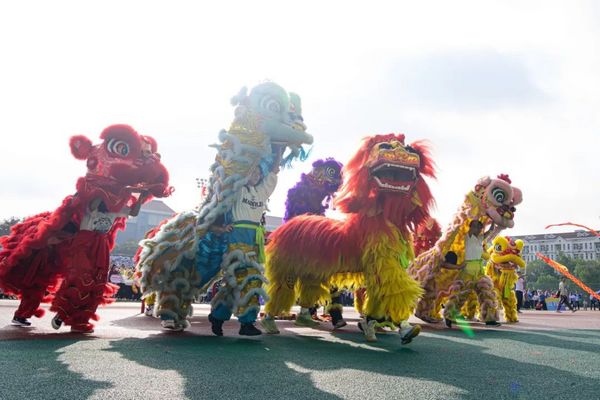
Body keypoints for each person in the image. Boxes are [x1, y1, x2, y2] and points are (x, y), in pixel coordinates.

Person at [208, 148, 283, 336]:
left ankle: (217, 317)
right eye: (252, 172)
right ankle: (246, 323)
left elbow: (274, 171)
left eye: (258, 172)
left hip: (255, 243)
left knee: (235, 283)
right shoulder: (238, 189)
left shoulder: (261, 192)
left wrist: (280, 148)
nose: (256, 175)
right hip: (237, 241)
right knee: (249, 280)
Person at [443, 220, 501, 328]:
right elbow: (471, 219)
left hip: (479, 270)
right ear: (470, 227)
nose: (478, 229)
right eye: (475, 227)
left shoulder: (480, 239)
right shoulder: (468, 237)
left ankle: (490, 319)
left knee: (487, 293)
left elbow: (491, 231)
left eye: (479, 227)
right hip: (468, 269)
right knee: (460, 294)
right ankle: (449, 316)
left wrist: (493, 221)